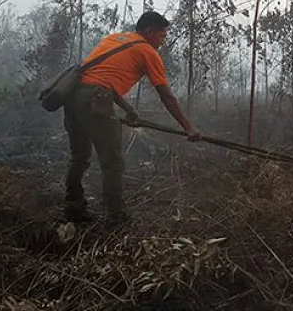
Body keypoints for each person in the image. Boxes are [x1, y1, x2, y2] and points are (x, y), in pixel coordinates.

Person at [63, 11, 200, 224]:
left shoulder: (114, 39)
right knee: (113, 163)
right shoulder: (147, 50)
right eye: (162, 35)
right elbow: (166, 96)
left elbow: (100, 78)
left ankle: (73, 208)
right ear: (149, 31)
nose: (163, 41)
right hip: (95, 99)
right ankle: (116, 217)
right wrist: (189, 127)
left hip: (73, 96)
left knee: (79, 156)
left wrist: (128, 109)